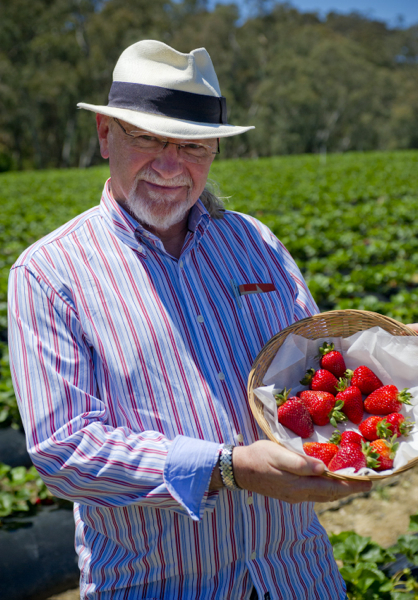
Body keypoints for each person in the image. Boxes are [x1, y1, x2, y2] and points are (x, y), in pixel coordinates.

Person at [8, 40, 376, 600]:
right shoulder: (50, 273)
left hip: (297, 574)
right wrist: (225, 468)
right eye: (148, 138)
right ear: (105, 134)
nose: (170, 165)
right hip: (159, 582)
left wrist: (385, 358)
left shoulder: (254, 242)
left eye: (193, 145)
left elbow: (313, 364)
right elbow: (65, 450)